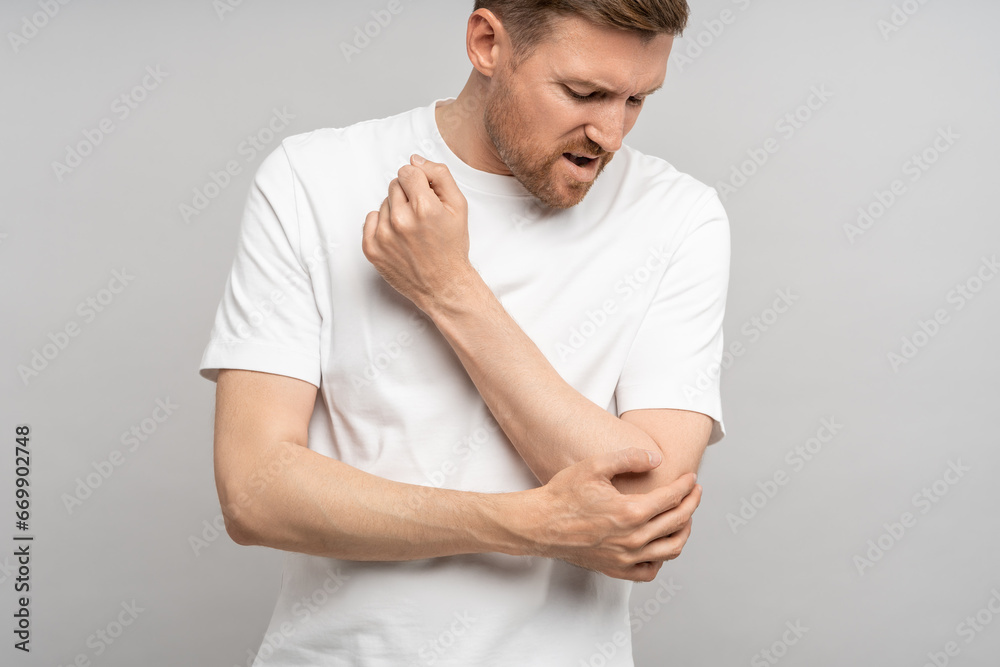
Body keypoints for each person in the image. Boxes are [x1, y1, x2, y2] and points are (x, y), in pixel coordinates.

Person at [198, 1, 731, 664]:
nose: (612, 134)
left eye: (637, 100)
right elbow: (255, 491)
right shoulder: (312, 179)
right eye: (585, 93)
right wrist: (524, 524)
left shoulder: (679, 217)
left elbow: (640, 515)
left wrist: (449, 288)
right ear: (486, 43)